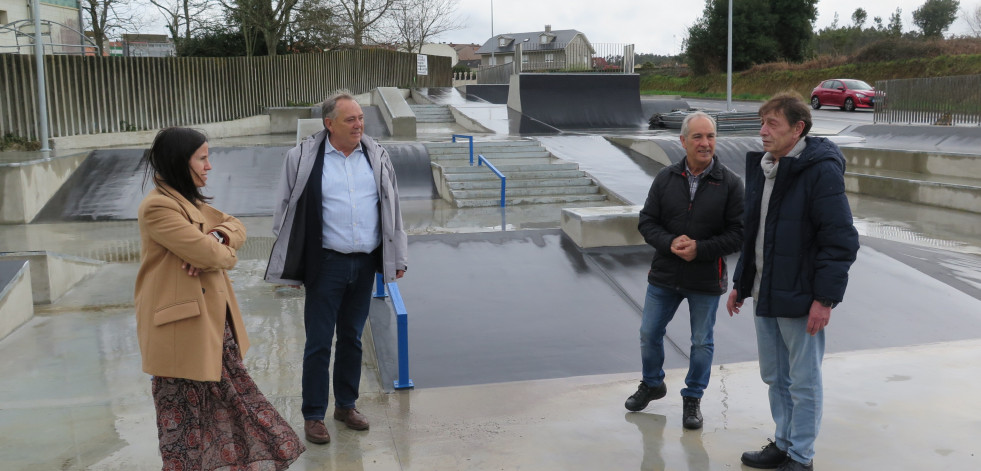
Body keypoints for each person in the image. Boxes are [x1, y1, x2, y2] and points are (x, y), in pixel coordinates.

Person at [134, 127, 305, 470]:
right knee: (184, 423)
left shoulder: (189, 202)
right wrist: (215, 250)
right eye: (202, 157)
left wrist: (217, 237)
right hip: (181, 333)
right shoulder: (158, 207)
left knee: (231, 406)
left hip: (211, 328)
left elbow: (236, 226)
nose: (209, 165)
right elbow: (211, 257)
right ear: (180, 162)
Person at [265, 90, 408, 445]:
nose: (359, 124)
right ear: (329, 124)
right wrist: (290, 263)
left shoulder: (376, 155)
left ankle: (346, 405)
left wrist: (397, 256)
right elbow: (283, 208)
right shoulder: (302, 157)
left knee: (352, 339)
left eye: (361, 118)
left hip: (364, 263)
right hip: (325, 264)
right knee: (318, 342)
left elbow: (394, 208)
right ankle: (314, 414)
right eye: (351, 119)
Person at [727, 92, 859, 471]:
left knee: (802, 381)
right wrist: (742, 281)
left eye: (772, 124)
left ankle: (802, 457)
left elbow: (840, 239)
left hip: (801, 297)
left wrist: (825, 299)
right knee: (775, 376)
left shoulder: (820, 170)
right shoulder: (767, 166)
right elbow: (754, 232)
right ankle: (783, 444)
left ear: (798, 128)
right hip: (765, 291)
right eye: (762, 122)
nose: (763, 131)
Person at [625, 111, 744, 430]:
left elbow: (738, 233)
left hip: (705, 279)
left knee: (701, 342)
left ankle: (693, 398)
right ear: (683, 141)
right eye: (698, 137)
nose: (706, 143)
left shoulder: (730, 183)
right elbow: (647, 222)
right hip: (664, 275)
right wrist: (669, 242)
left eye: (711, 136)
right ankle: (652, 383)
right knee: (649, 333)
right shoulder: (665, 178)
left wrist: (700, 249)